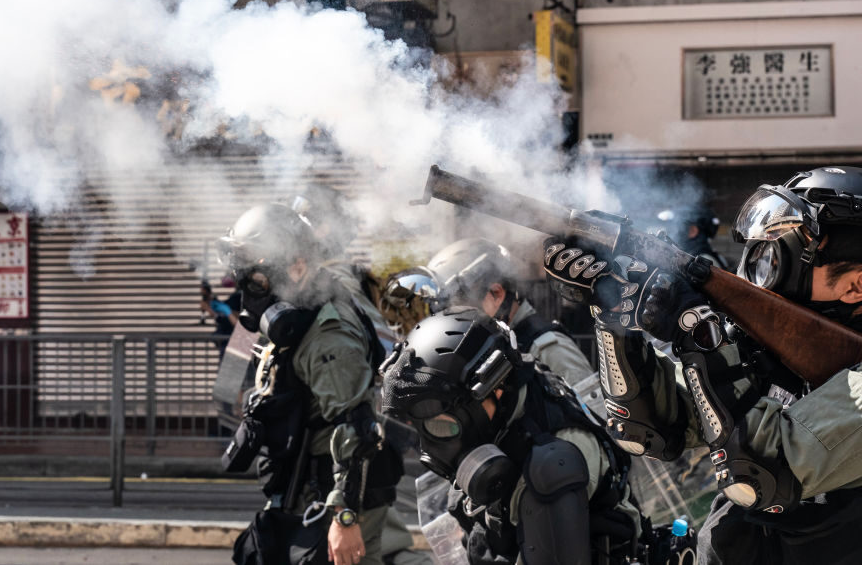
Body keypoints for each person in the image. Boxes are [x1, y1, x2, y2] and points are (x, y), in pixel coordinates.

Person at [545, 166, 862, 564]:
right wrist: (613, 308)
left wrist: (696, 332)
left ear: (856, 286)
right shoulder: (777, 344)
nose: (765, 265)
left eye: (789, 253)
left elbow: (759, 471)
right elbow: (652, 426)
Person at [380, 307, 647, 564]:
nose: (431, 447)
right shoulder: (512, 408)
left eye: (443, 426)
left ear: (494, 389)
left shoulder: (554, 462)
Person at [219, 203, 404, 565]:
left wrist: (344, 517)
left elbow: (359, 431)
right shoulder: (302, 314)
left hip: (337, 498)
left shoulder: (328, 335)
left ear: (298, 266)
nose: (250, 293)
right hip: (308, 490)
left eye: (258, 280)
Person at [386, 238, 593, 385]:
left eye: (454, 306)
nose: (447, 319)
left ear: (496, 294)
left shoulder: (548, 350)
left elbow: (591, 432)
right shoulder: (487, 346)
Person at [655, 206, 730, 271]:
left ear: (693, 231)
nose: (671, 231)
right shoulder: (695, 256)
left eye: (677, 226)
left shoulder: (702, 260)